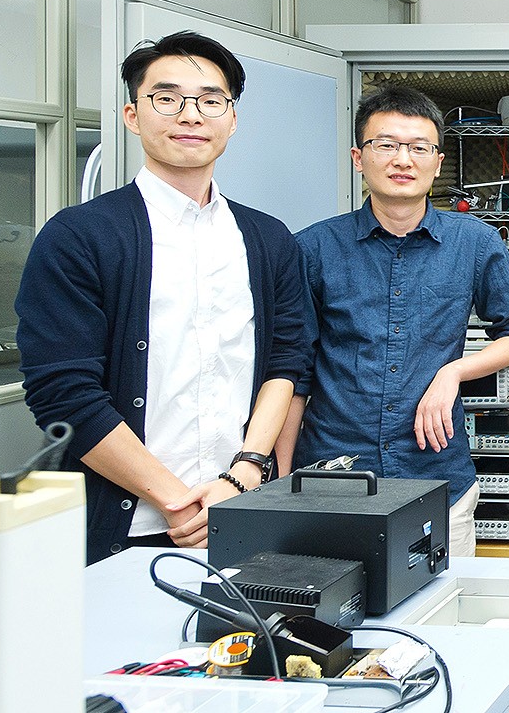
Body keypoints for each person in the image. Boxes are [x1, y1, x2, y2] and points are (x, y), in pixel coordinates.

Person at [16, 30, 308, 564]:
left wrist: (243, 474)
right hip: (120, 529)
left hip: (242, 513)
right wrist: (176, 502)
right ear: (133, 115)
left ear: (233, 119)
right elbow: (62, 391)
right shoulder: (80, 236)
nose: (190, 116)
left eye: (210, 101)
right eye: (167, 98)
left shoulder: (269, 240)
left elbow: (286, 364)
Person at [280, 86, 509, 558]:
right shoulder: (312, 249)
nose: (403, 159)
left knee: (441, 621)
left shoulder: (475, 242)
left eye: (419, 147)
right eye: (387, 145)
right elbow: (293, 373)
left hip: (438, 480)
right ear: (360, 158)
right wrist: (279, 483)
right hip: (331, 480)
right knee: (325, 621)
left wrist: (455, 371)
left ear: (438, 162)